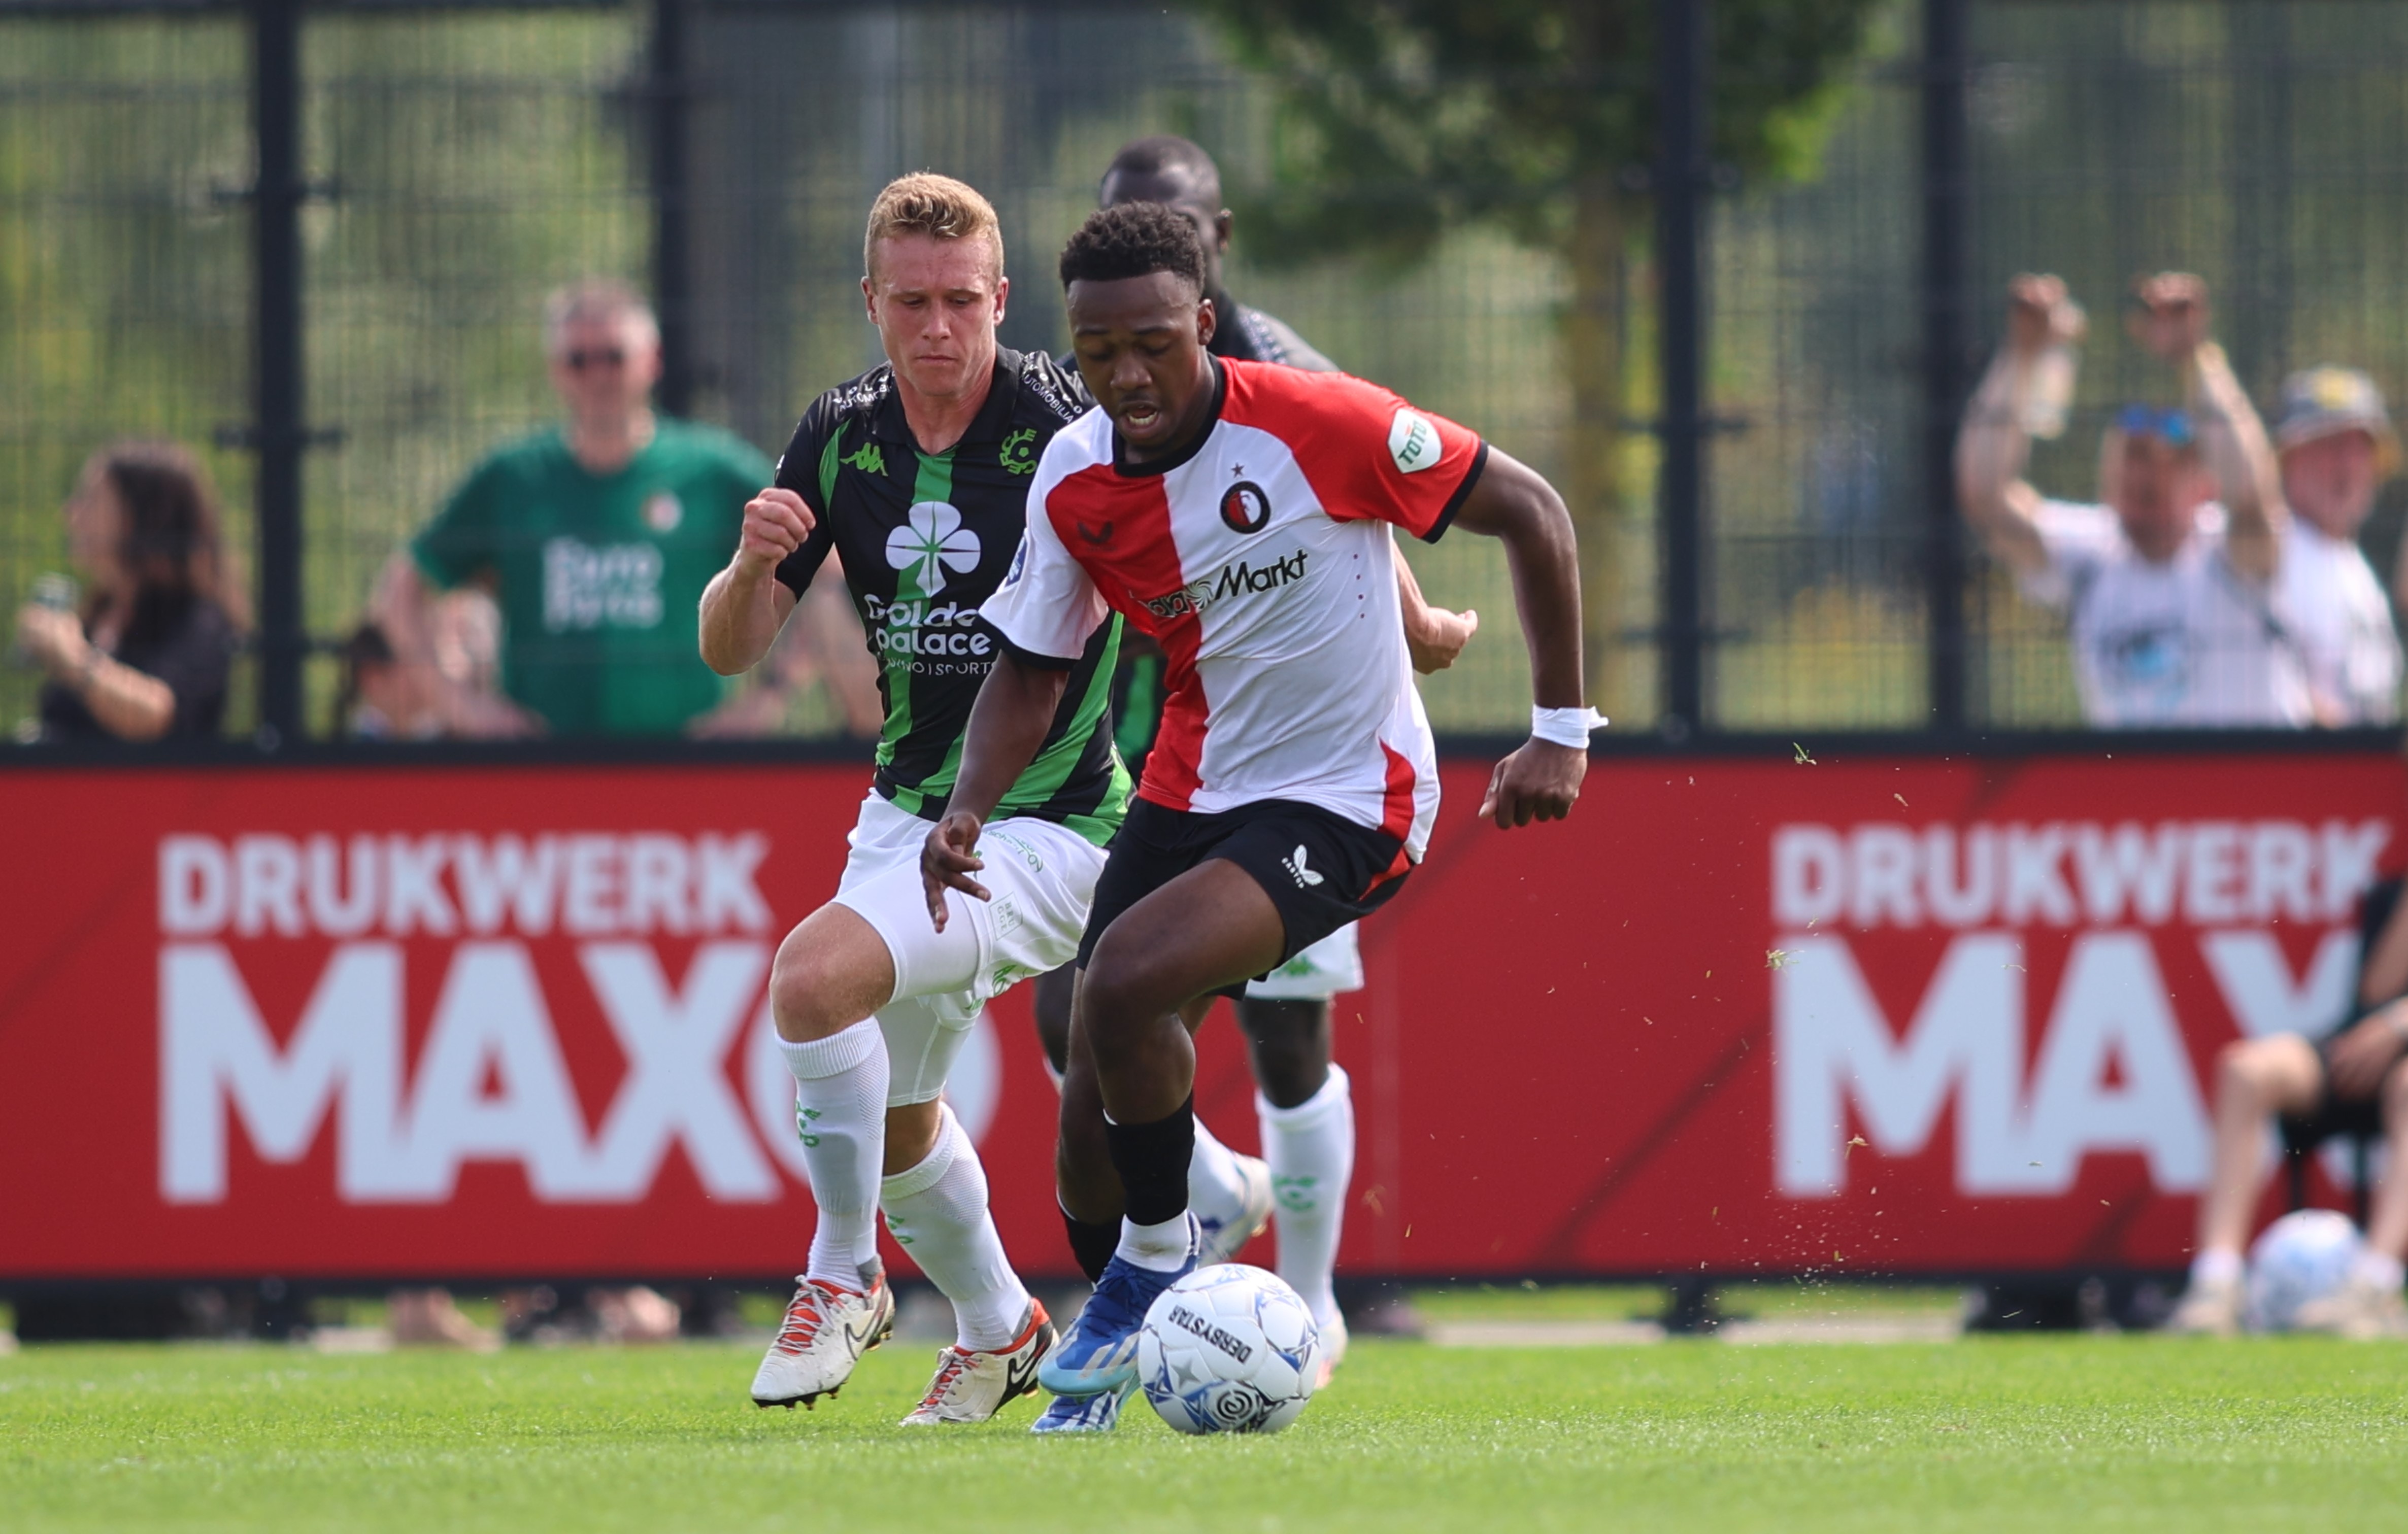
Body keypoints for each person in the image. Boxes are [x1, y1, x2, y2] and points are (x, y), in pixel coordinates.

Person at [923, 203, 1595, 1430]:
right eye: (1095, 348)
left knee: (1120, 981)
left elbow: (1532, 510)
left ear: (1204, 322)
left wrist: (1559, 727)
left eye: (1152, 341)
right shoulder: (1073, 481)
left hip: (1350, 794)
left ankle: (1158, 1267)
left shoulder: (1314, 420)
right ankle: (1155, 1270)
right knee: (1082, 1132)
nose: (1125, 372)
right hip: (1190, 789)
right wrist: (967, 806)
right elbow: (1030, 668)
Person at [1023, 135, 1476, 1368]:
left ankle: (1314, 1297)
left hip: (1307, 754)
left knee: (1281, 1032)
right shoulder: (1100, 376)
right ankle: (1203, 1193)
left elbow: (1357, 487)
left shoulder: (1269, 362)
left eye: (1172, 224)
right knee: (1083, 1017)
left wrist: (1424, 622)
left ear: (1211, 247)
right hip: (1167, 749)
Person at [697, 174, 1119, 1425]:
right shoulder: (839, 434)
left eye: (961, 300)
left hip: (1041, 825)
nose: (938, 327)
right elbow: (730, 647)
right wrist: (748, 562)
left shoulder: (1063, 430)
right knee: (890, 1112)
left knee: (811, 978)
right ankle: (1000, 1326)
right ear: (870, 301)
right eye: (910, 301)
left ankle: (843, 1273)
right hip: (903, 815)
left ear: (999, 298)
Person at [373, 278, 876, 738]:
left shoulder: (712, 469)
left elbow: (824, 569)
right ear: (556, 371)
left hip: (687, 770)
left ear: (651, 360)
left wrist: (768, 699)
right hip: (541, 770)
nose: (598, 374)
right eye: (579, 359)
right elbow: (401, 589)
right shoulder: (513, 477)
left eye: (613, 356)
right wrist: (463, 708)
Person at [1955, 273, 2302, 727]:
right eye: (2133, 455)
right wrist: (2021, 355)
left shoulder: (2233, 556)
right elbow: (1983, 495)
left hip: (2250, 793)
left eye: (2168, 461)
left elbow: (2253, 495)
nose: (2146, 472)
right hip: (2134, 795)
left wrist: (2194, 357)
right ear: (2107, 481)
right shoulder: (2091, 557)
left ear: (2204, 486)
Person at [2168, 877, 2408, 1337]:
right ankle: (2215, 1284)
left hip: (2400, 1065)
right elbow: (2378, 989)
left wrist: (2400, 1023)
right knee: (2246, 1069)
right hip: (2363, 1052)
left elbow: (2391, 1012)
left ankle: (2374, 1286)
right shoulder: (2391, 896)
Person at [14, 441, 246, 743]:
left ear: (140, 515)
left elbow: (157, 714)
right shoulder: (97, 612)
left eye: (91, 500)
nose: (71, 512)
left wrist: (71, 658)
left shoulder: (198, 617)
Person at [2264, 367, 2401, 725]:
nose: (2348, 466)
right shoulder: (2269, 551)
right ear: (2287, 459)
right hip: (2296, 773)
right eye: (2330, 446)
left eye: (2360, 449)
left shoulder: (2355, 567)